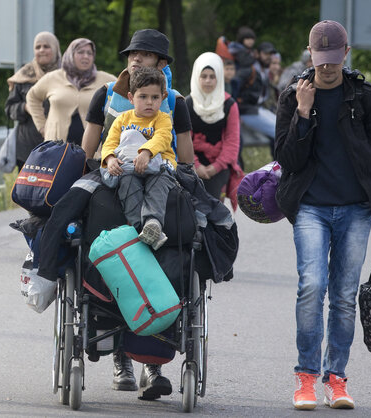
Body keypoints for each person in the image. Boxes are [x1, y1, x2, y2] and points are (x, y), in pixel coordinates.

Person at [273, 20, 371, 410]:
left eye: (333, 60)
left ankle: (336, 379)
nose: (327, 68)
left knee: (344, 296)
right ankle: (306, 378)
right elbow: (287, 160)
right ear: (309, 54)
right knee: (312, 286)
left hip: (357, 210)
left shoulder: (364, 97)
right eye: (320, 59)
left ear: (345, 55)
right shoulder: (291, 97)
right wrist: (304, 113)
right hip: (310, 207)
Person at [81, 28, 194, 399]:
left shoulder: (174, 102)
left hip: (159, 177)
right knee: (111, 261)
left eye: (144, 55)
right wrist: (111, 162)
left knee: (163, 259)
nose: (134, 59)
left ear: (161, 64)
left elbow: (187, 157)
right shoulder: (106, 96)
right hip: (116, 181)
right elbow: (89, 151)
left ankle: (152, 363)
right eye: (132, 53)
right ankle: (120, 358)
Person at [101, 67, 176, 250]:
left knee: (157, 185)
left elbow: (163, 137)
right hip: (129, 168)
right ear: (130, 97)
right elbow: (109, 143)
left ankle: (153, 222)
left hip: (159, 167)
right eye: (143, 97)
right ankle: (141, 229)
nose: (149, 102)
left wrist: (146, 152)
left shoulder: (163, 118)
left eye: (155, 97)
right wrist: (110, 159)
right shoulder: (122, 119)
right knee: (127, 184)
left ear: (163, 97)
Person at [26, 38, 115, 145]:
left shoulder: (106, 80)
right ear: (70, 54)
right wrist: (41, 127)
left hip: (92, 152)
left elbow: (126, 94)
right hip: (56, 149)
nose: (86, 56)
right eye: (80, 52)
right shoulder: (53, 78)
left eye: (89, 53)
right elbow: (32, 97)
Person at [187, 52, 242, 207]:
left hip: (220, 166)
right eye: (203, 76)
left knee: (212, 206)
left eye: (212, 76)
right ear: (197, 77)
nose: (208, 81)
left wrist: (214, 168)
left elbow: (232, 142)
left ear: (219, 77)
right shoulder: (186, 104)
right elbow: (184, 140)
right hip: (191, 165)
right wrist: (196, 166)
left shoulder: (229, 104)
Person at [5, 31, 61, 168]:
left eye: (46, 46)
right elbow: (9, 109)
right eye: (38, 47)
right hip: (28, 151)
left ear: (55, 48)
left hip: (60, 148)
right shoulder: (23, 76)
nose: (41, 50)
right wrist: (25, 107)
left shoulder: (67, 74)